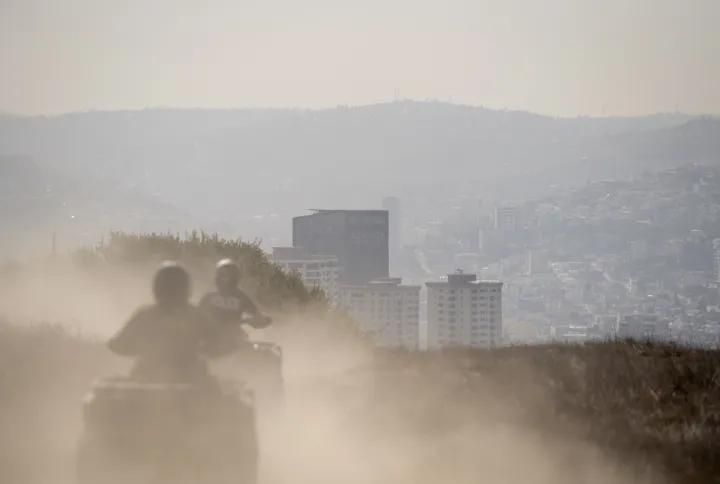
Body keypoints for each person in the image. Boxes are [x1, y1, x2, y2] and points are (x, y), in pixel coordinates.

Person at [107, 261, 234, 382]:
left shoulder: (145, 314)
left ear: (157, 287)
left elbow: (118, 345)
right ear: (186, 288)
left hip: (148, 375)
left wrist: (142, 348)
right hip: (190, 377)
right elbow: (219, 347)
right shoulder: (196, 315)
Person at [198, 259, 272, 342]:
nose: (225, 279)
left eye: (227, 276)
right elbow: (195, 318)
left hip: (227, 342)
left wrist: (251, 320)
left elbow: (262, 318)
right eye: (223, 275)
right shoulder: (240, 298)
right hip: (214, 341)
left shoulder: (208, 297)